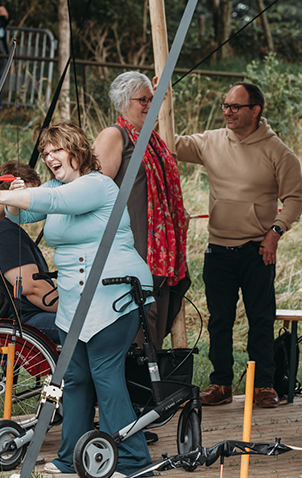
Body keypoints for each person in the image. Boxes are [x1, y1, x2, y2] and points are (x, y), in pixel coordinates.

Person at [0, 122, 154, 476]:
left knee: (105, 374)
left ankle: (134, 458)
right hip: (77, 302)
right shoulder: (56, 186)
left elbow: (53, 201)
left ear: (74, 148)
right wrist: (14, 195)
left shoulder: (97, 185)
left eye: (56, 149)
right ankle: (71, 456)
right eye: (45, 152)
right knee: (73, 377)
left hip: (113, 295)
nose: (49, 156)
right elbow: (25, 213)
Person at [175, 82, 302, 408]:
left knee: (261, 318)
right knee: (220, 320)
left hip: (257, 251)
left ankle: (263, 385)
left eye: (235, 106)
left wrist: (275, 232)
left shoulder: (278, 152)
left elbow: (295, 200)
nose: (228, 111)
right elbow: (170, 145)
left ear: (255, 110)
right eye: (225, 105)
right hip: (218, 249)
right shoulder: (210, 141)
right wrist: (159, 104)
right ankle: (220, 384)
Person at [93, 71, 189, 347]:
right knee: (140, 320)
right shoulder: (115, 135)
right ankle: (136, 388)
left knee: (157, 318)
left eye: (153, 99)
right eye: (143, 100)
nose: (150, 105)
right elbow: (95, 190)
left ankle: (150, 389)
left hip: (161, 251)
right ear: (124, 102)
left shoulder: (151, 139)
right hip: (133, 248)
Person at [0, 161, 59, 343]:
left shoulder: (0, 228)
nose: (31, 205)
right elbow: (30, 287)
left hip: (24, 317)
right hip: (25, 320)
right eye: (28, 197)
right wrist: (72, 308)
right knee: (91, 325)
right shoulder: (3, 230)